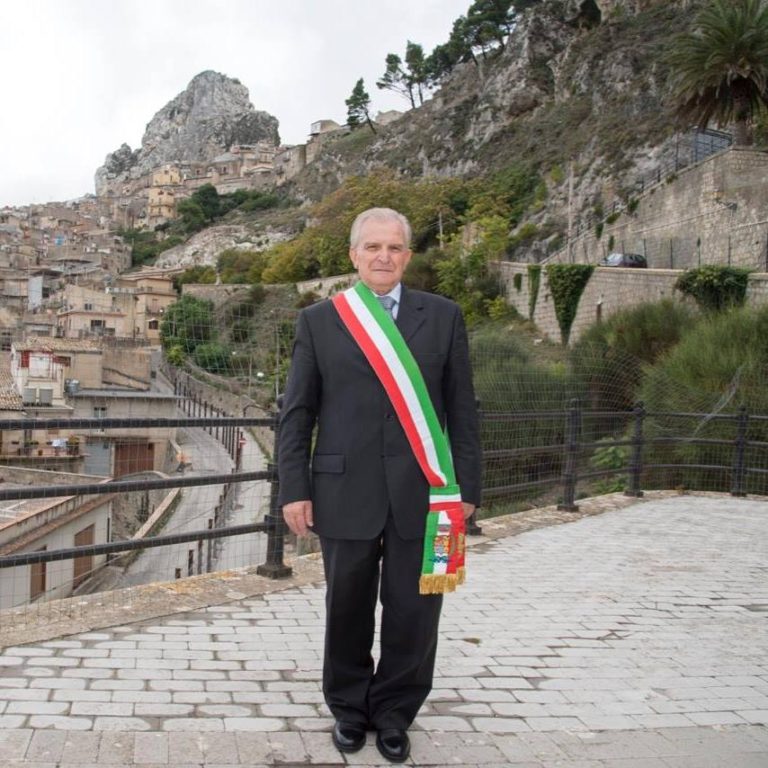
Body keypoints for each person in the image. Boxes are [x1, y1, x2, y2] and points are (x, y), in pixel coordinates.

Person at [278, 207, 481, 763]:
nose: (383, 257)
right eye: (372, 247)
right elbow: (298, 412)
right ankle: (348, 709)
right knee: (346, 606)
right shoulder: (320, 320)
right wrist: (294, 487)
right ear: (354, 255)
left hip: (427, 492)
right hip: (343, 489)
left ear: (408, 256)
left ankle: (394, 713)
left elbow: (463, 409)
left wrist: (466, 487)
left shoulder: (444, 316)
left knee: (416, 610)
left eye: (394, 248)